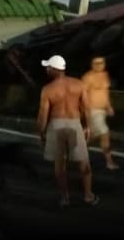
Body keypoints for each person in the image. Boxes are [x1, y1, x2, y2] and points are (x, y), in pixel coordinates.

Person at [37, 55, 99, 208]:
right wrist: (87, 126)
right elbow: (87, 108)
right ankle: (88, 196)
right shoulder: (78, 84)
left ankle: (65, 198)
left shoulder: (47, 90)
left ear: (54, 69)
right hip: (74, 124)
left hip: (56, 126)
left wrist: (41, 134)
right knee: (84, 162)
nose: (46, 69)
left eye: (48, 67)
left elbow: (42, 116)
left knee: (60, 165)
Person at [82, 56, 119, 170]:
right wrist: (85, 111)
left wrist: (108, 107)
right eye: (96, 63)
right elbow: (83, 95)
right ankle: (109, 162)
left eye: (101, 63)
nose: (99, 65)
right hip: (93, 110)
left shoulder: (104, 75)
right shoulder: (87, 77)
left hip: (101, 111)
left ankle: (76, 150)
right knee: (104, 133)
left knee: (93, 136)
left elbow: (105, 93)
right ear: (92, 64)